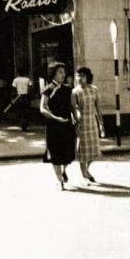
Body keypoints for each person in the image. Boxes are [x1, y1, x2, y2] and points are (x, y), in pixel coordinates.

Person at [40, 62, 76, 190]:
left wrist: (76, 119)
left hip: (66, 124)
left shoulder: (68, 89)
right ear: (54, 74)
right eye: (60, 72)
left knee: (68, 152)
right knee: (55, 154)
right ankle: (59, 180)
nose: (63, 74)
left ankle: (64, 170)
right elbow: (42, 108)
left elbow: (72, 106)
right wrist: (55, 118)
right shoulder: (47, 90)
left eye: (64, 72)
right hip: (53, 126)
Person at [71, 67, 105, 183]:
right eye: (78, 76)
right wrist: (76, 120)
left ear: (88, 77)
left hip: (92, 121)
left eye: (83, 76)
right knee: (83, 151)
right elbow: (73, 108)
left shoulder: (94, 89)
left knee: (93, 150)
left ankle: (86, 170)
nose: (80, 78)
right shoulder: (75, 92)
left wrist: (101, 123)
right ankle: (84, 174)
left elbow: (98, 107)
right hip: (81, 122)